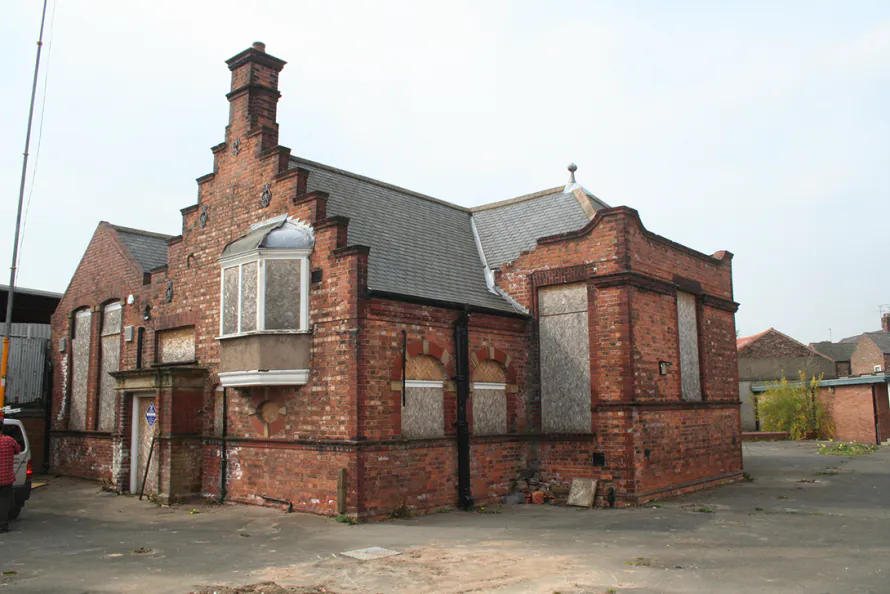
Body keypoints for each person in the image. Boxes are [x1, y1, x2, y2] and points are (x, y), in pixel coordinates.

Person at [0, 423, 21, 533]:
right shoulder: (9, 440)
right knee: (4, 502)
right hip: (6, 478)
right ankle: (2, 525)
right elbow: (18, 450)